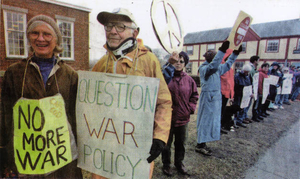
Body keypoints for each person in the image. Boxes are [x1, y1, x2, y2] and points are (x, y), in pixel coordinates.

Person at [92, 8, 172, 179]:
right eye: (109, 26)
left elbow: (163, 102)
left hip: (136, 147)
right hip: (105, 147)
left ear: (134, 32)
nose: (113, 31)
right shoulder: (101, 63)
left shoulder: (148, 60)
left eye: (120, 27)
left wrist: (160, 136)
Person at [0, 15, 82, 178]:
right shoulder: (15, 73)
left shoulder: (70, 75)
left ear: (56, 39)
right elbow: (5, 115)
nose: (40, 39)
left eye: (47, 34)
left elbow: (76, 118)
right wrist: (4, 154)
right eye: (34, 33)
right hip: (27, 160)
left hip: (61, 162)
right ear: (29, 37)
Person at [195, 41, 242, 156]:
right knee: (205, 121)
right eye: (216, 56)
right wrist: (222, 51)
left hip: (214, 98)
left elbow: (226, 65)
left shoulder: (215, 68)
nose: (218, 58)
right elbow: (214, 65)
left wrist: (235, 54)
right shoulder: (205, 68)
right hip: (208, 98)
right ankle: (200, 145)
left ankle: (203, 142)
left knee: (211, 121)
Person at [161, 51, 199, 176]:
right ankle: (166, 165)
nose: (178, 63)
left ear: (185, 64)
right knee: (166, 143)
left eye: (181, 61)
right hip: (167, 117)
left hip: (183, 118)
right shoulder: (166, 77)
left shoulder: (189, 80)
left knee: (181, 143)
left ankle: (179, 163)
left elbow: (194, 96)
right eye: (176, 61)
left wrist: (190, 109)